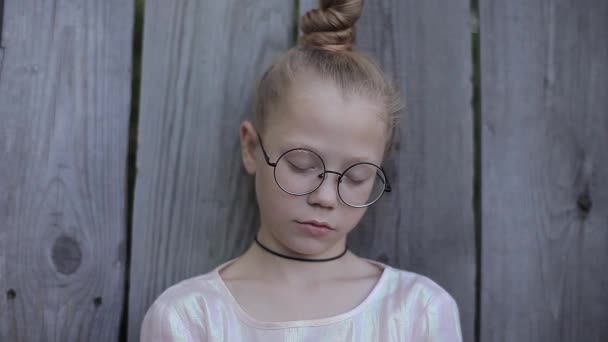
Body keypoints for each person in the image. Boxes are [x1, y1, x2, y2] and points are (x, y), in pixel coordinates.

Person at [140, 0, 463, 340]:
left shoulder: (419, 311)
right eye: (302, 165)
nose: (325, 197)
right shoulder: (186, 318)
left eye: (356, 177)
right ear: (251, 148)